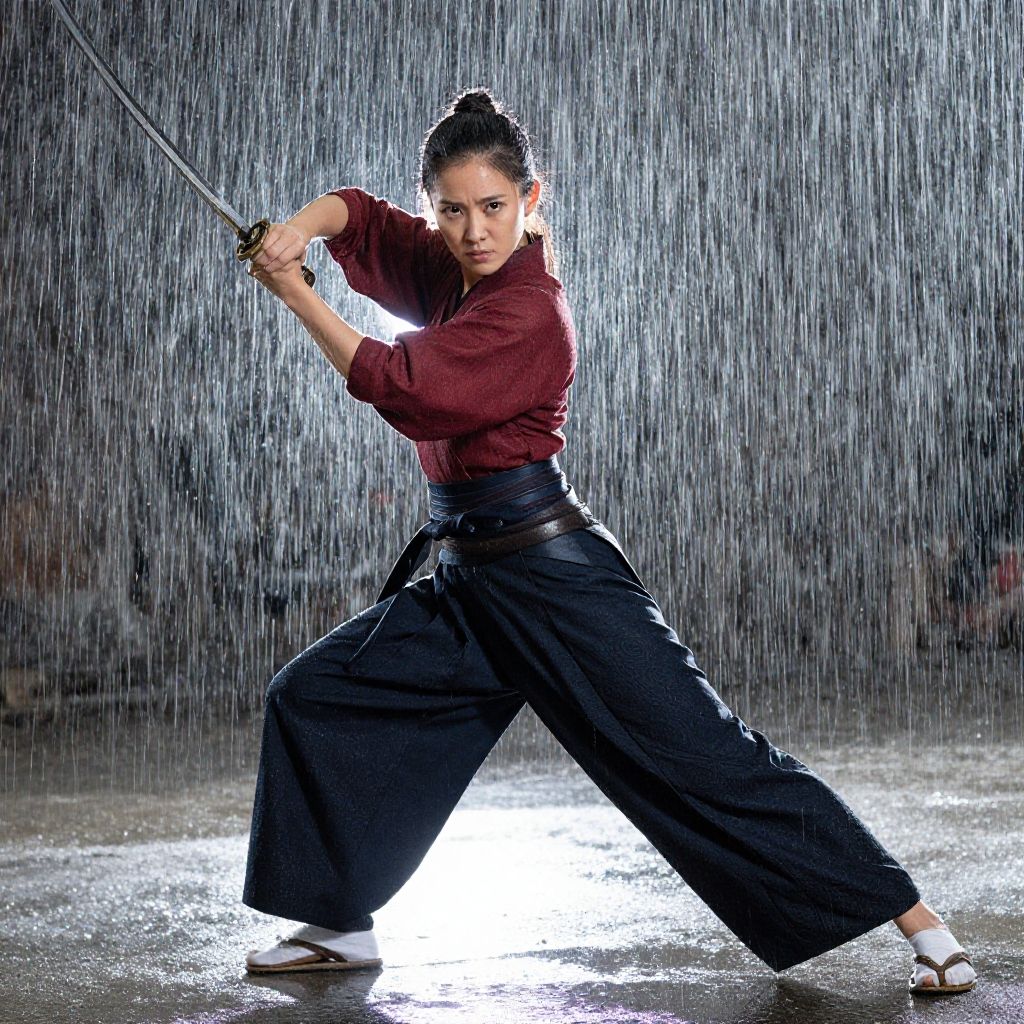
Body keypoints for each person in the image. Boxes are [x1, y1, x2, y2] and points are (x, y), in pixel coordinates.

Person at [239, 88, 976, 996]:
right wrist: (299, 231)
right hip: (469, 583)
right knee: (315, 696)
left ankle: (922, 924)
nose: (474, 232)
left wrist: (292, 291)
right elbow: (357, 212)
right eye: (453, 211)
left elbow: (403, 386)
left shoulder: (531, 311)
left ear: (532, 198)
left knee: (706, 754)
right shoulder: (446, 268)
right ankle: (342, 924)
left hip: (552, 579)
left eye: (494, 208)